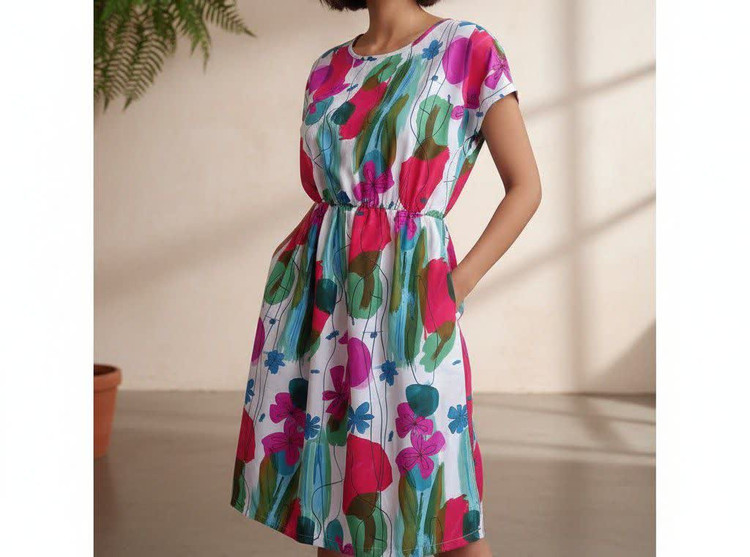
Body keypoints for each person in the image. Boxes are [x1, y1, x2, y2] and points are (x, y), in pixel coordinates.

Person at [231, 1, 541, 556]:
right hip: (324, 297)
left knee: (445, 505)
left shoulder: (467, 48)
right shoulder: (327, 68)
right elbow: (325, 191)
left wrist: (456, 285)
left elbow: (526, 187)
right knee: (334, 506)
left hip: (411, 294)